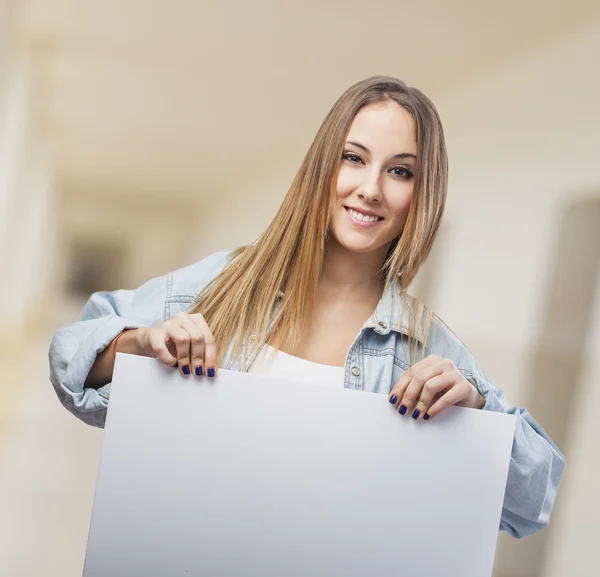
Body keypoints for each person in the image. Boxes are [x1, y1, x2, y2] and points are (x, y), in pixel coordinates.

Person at [49, 75, 564, 539]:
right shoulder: (226, 283)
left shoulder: (424, 347)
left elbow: (531, 503)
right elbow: (71, 357)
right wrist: (140, 343)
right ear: (323, 165)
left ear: (421, 194)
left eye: (401, 171)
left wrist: (474, 410)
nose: (370, 189)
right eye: (354, 158)